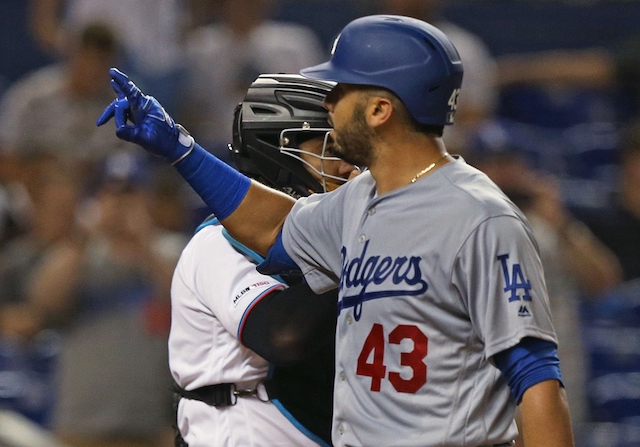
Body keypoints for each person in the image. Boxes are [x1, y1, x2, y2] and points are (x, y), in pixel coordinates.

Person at [97, 15, 575, 447]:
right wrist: (182, 151)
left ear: (380, 110)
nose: (328, 101)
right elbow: (274, 225)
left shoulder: (480, 218)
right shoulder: (359, 200)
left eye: (341, 89)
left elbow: (535, 377)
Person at [170, 74, 357, 447]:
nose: (349, 168)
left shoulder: (333, 240)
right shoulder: (218, 242)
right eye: (331, 150)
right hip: (237, 428)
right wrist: (361, 254)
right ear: (277, 149)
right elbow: (282, 336)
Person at [176, 0, 325, 161]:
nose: (244, 5)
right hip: (219, 150)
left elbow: (316, 104)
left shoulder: (296, 45)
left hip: (283, 151)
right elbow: (191, 110)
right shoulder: (201, 46)